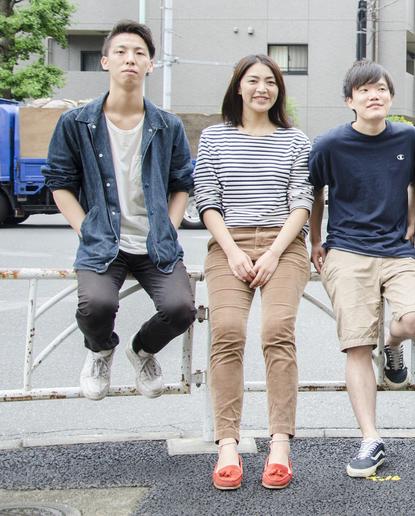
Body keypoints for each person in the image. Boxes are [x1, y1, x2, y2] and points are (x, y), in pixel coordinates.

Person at [43, 20, 195, 402]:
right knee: (96, 307)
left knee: (180, 309)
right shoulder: (76, 123)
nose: (130, 59)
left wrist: (169, 227)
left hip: (155, 243)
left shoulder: (168, 126)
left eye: (139, 53)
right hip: (102, 241)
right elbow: (59, 182)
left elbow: (182, 183)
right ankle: (101, 350)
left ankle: (141, 351)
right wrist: (85, 228)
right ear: (105, 60)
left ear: (150, 65)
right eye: (122, 52)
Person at [194, 54, 312, 490]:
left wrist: (274, 252)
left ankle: (279, 443)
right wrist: (233, 251)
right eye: (253, 80)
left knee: (277, 329)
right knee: (226, 331)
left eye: (271, 82)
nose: (262, 88)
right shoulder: (214, 137)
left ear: (279, 90)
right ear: (238, 87)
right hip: (229, 244)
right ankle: (227, 443)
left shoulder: (295, 140)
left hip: (284, 245)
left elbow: (302, 200)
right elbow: (206, 197)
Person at [309, 60, 415, 479]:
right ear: (350, 101)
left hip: (397, 249)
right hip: (347, 250)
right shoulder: (330, 144)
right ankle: (370, 438)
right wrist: (315, 240)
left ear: (390, 97)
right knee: (358, 345)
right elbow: (316, 192)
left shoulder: (409, 137)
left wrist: (412, 222)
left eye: (380, 89)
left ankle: (393, 344)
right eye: (364, 90)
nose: (373, 95)